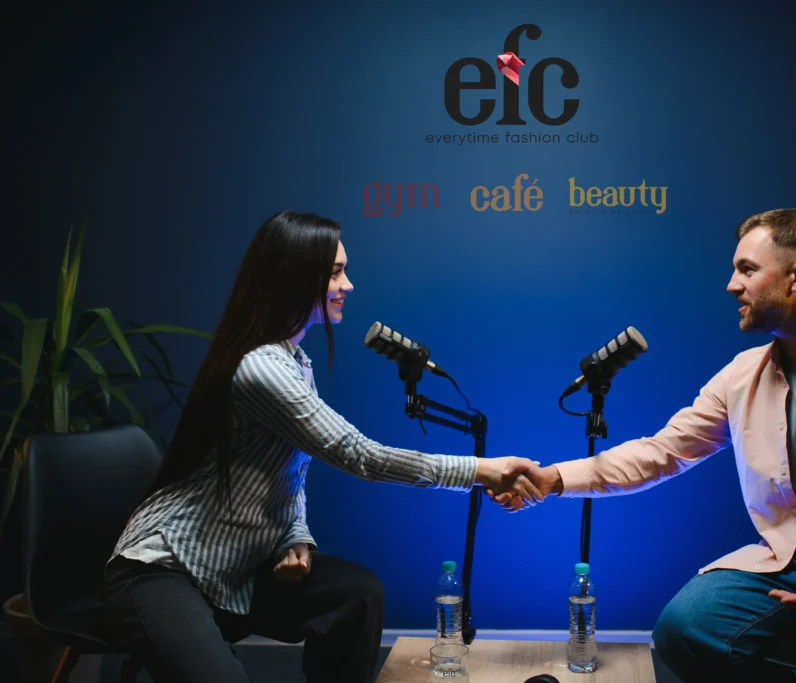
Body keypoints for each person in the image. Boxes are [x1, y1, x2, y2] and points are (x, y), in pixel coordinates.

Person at [491, 209, 796, 682]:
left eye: (747, 269)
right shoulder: (743, 375)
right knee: (682, 631)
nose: (731, 285)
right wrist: (552, 479)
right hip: (791, 563)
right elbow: (663, 451)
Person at [101, 210, 541, 683]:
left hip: (237, 571)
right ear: (293, 274)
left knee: (357, 594)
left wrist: (296, 537)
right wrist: (478, 469)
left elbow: (290, 474)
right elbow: (357, 453)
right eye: (335, 272)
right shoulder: (261, 370)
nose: (347, 285)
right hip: (163, 570)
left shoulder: (296, 363)